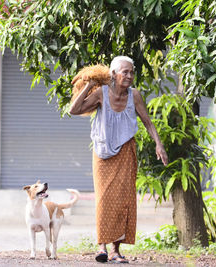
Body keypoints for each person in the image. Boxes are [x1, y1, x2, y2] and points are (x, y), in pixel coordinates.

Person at [69, 56, 168, 263]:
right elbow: (74, 110)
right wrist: (89, 85)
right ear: (113, 74)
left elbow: (148, 123)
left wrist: (159, 145)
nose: (130, 76)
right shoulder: (101, 94)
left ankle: (115, 250)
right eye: (125, 72)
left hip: (126, 150)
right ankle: (102, 247)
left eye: (131, 72)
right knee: (104, 199)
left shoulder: (135, 96)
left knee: (124, 200)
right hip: (103, 152)